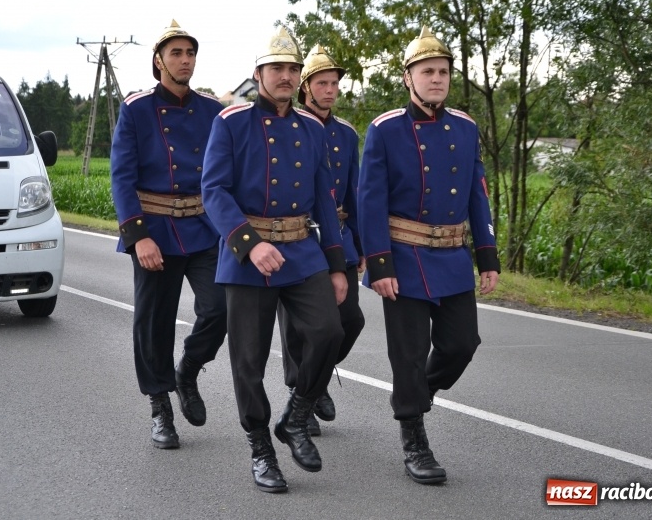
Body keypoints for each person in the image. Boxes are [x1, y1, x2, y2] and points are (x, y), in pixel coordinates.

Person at [202, 27, 347, 493]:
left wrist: (338, 264)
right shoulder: (231, 122)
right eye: (277, 69)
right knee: (249, 360)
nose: (286, 76)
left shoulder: (311, 128)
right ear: (258, 74)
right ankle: (261, 446)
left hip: (303, 251)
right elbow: (214, 190)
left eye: (292, 69)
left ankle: (296, 416)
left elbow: (325, 201)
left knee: (329, 331)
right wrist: (248, 243)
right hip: (248, 256)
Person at [357, 26, 500, 485]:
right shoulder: (384, 130)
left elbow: (478, 195)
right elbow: (369, 201)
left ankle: (420, 393)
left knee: (462, 344)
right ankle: (413, 436)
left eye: (442, 71)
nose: (436, 79)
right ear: (408, 77)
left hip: (453, 255)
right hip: (403, 256)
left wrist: (488, 254)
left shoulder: (466, 127)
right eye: (427, 71)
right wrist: (378, 263)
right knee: (409, 353)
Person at [110, 20, 227, 450]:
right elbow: (122, 177)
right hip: (155, 230)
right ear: (158, 61)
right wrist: (138, 235)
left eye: (190, 53)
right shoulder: (137, 109)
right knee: (153, 322)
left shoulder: (213, 110)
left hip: (203, 227)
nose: (185, 60)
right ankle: (160, 405)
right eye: (176, 53)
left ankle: (189, 369)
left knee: (221, 307)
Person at [277, 45, 365, 436]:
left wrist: (360, 244)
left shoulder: (347, 134)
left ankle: (317, 379)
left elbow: (355, 194)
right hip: (297, 237)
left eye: (334, 84)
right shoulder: (289, 123)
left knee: (351, 319)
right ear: (305, 88)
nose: (330, 90)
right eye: (322, 83)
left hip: (339, 236)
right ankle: (303, 396)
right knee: (300, 328)